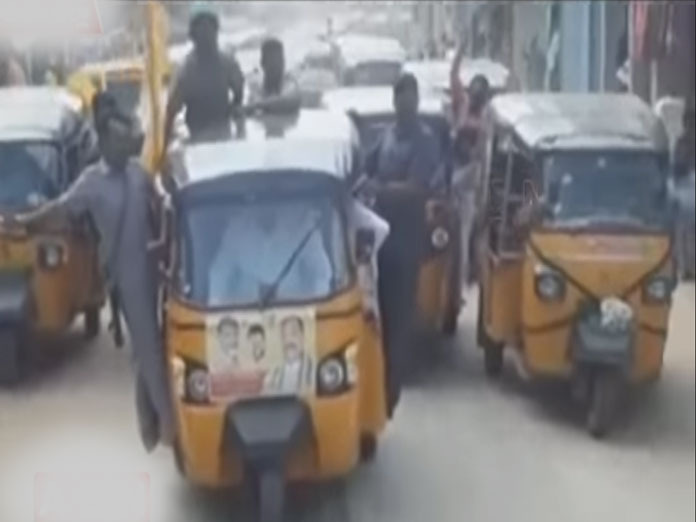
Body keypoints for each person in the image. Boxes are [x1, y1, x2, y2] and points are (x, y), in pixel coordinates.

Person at [5, 98, 174, 451]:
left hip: (158, 270)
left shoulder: (139, 175)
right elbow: (59, 210)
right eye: (112, 140)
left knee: (155, 349)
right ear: (102, 142)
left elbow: (161, 210)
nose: (118, 145)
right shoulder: (91, 183)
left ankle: (151, 420)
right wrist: (24, 223)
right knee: (148, 350)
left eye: (121, 139)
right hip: (129, 279)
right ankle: (171, 429)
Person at [164, 4, 244, 146]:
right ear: (193, 35)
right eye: (202, 30)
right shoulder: (185, 72)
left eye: (210, 29)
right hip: (197, 141)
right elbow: (170, 113)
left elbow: (239, 90)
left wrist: (235, 110)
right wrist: (165, 149)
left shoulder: (228, 63)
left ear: (216, 31)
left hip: (224, 138)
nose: (207, 35)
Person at [364, 73, 441, 188]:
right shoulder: (386, 134)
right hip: (376, 204)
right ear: (394, 102)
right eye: (403, 104)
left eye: (410, 103)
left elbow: (416, 187)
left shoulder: (425, 140)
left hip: (410, 205)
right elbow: (366, 170)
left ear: (417, 102)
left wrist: (380, 189)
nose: (407, 109)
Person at [246, 37, 302, 115]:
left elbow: (290, 100)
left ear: (284, 62)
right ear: (262, 63)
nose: (278, 67)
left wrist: (256, 105)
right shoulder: (256, 85)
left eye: (280, 62)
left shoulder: (290, 82)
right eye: (273, 64)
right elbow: (252, 101)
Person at [672, 97, 695, 280]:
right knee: (684, 232)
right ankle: (686, 268)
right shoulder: (682, 142)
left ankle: (687, 268)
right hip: (686, 190)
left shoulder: (683, 142)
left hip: (687, 189)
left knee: (685, 232)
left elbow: (676, 167)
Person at [265, 316, 314, 395]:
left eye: (293, 334)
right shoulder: (273, 374)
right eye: (284, 336)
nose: (288, 340)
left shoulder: (314, 371)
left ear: (303, 337)